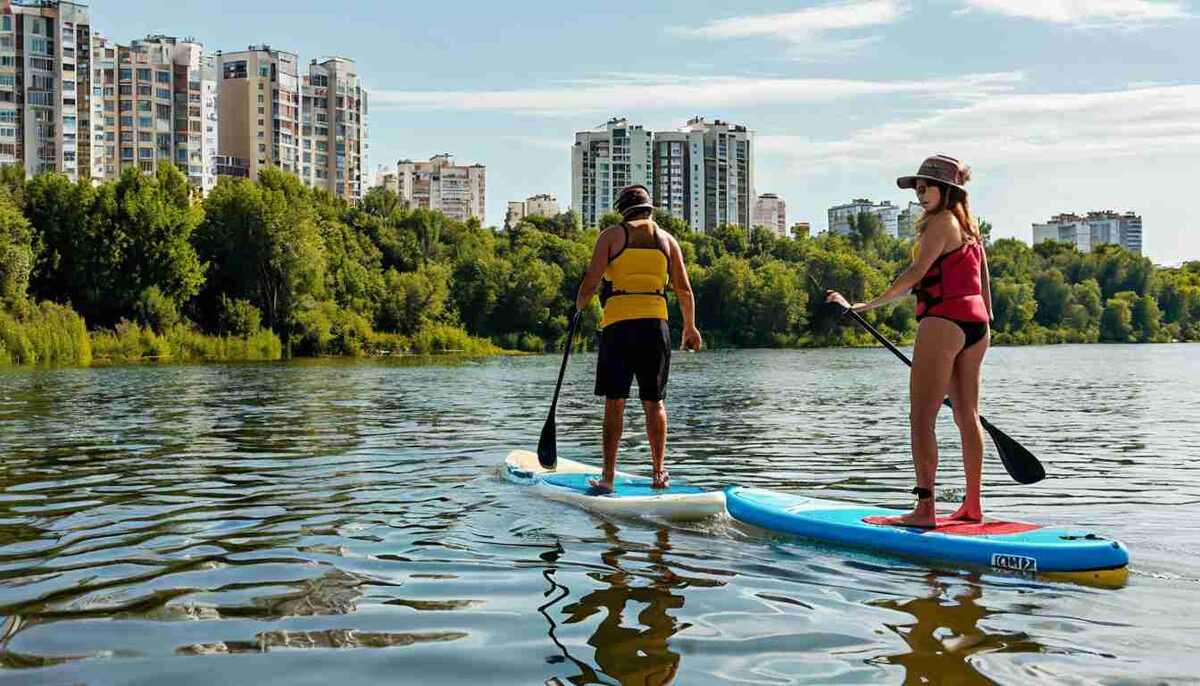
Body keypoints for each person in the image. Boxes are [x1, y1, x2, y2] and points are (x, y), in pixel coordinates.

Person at [827, 154, 993, 527]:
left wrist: (869, 304)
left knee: (922, 418)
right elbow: (983, 278)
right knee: (968, 415)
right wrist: (988, 321)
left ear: (946, 190)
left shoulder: (941, 223)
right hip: (977, 326)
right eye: (917, 189)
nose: (919, 195)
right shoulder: (971, 227)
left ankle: (925, 509)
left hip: (944, 322)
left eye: (925, 187)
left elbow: (916, 273)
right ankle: (972, 506)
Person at [575, 185, 702, 495]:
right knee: (654, 401)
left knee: (615, 402)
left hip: (619, 325)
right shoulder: (668, 241)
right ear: (650, 209)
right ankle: (659, 473)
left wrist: (576, 312)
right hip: (655, 326)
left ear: (623, 210)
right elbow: (684, 290)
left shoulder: (611, 236)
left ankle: (607, 478)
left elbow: (592, 281)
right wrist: (690, 327)